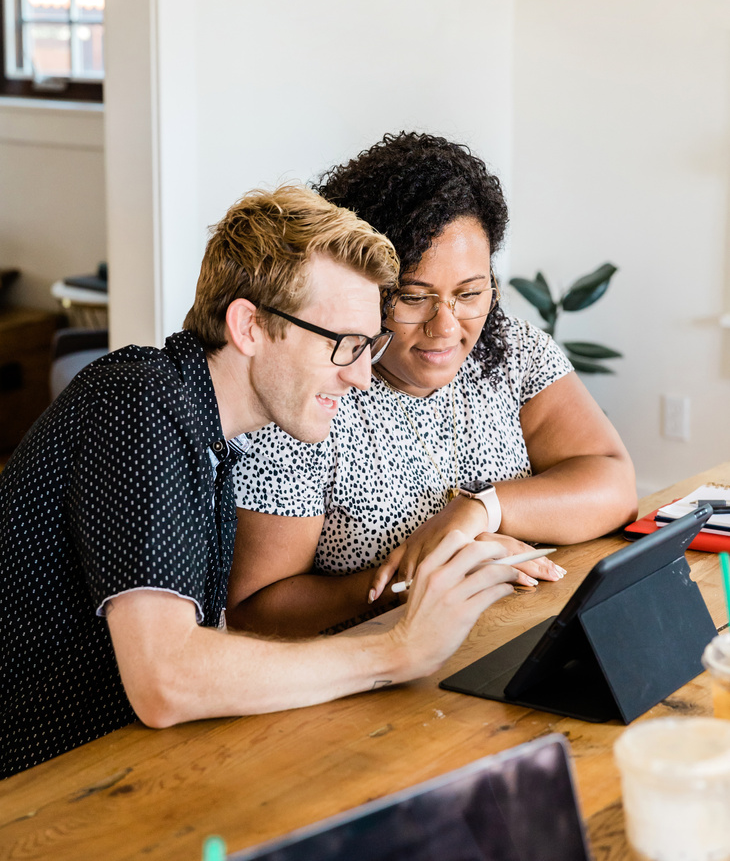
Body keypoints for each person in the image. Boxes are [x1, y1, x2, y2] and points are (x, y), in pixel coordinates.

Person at [0, 184, 519, 779]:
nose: (362, 380)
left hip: (119, 769)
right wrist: (397, 651)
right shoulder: (137, 402)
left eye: (368, 347)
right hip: (36, 794)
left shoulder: (212, 435)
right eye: (344, 346)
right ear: (248, 326)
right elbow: (166, 679)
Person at [226, 135, 638, 638]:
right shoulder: (313, 387)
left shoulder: (509, 347)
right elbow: (256, 609)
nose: (446, 327)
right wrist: (424, 576)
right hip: (366, 672)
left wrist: (482, 510)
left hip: (507, 633)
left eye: (469, 293)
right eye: (413, 298)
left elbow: (613, 483)